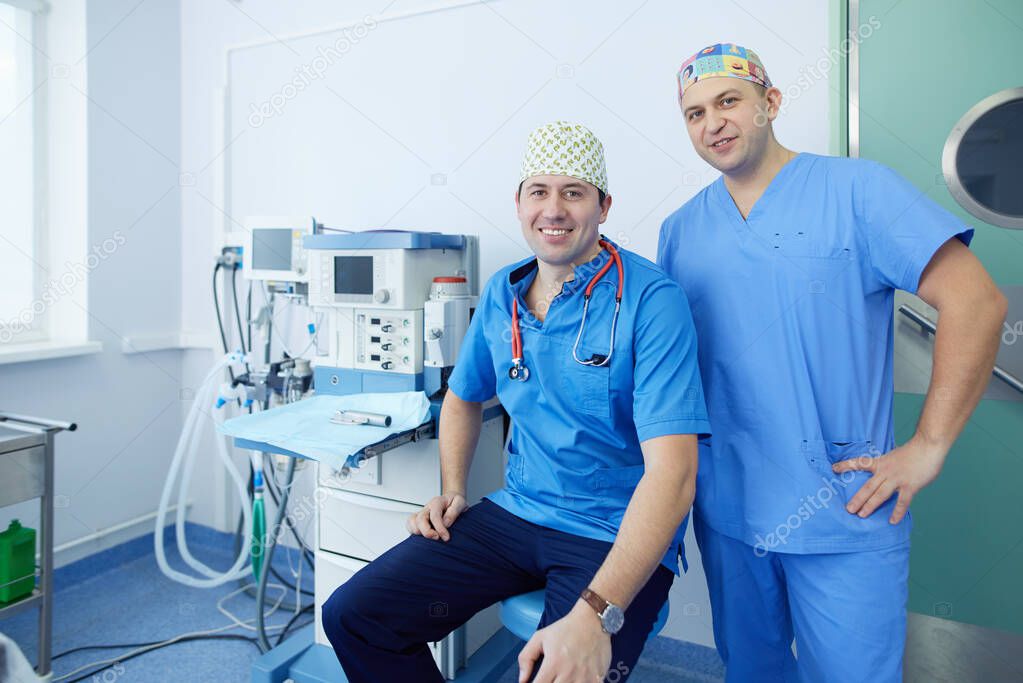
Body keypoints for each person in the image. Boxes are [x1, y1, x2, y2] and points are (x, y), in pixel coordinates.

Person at [657, 43, 1007, 682]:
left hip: (843, 508)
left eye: (729, 101)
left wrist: (928, 445)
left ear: (771, 103)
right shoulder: (681, 230)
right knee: (752, 672)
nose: (713, 123)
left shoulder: (857, 190)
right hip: (728, 509)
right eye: (694, 113)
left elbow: (976, 302)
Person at [322, 121, 711, 683]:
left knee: (556, 671)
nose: (553, 209)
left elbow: (674, 478)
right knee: (354, 616)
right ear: (520, 203)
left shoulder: (652, 302)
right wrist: (453, 490)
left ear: (603, 206)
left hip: (611, 530)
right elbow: (462, 398)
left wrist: (595, 613)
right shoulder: (504, 293)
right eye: (539, 192)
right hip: (518, 513)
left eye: (573, 193)